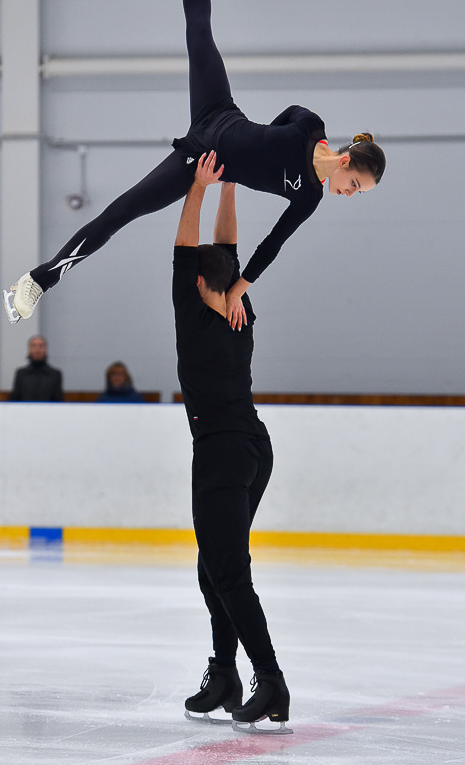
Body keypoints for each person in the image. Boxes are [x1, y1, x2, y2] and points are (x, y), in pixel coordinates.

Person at [3, 0, 385, 330]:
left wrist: (235, 290)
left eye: (358, 193)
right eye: (355, 184)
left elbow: (271, 247)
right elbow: (278, 122)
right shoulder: (309, 126)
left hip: (199, 160)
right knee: (199, 30)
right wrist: (247, 145)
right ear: (345, 160)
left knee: (121, 212)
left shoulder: (308, 196)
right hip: (220, 112)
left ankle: (35, 281)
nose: (350, 195)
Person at [173, 150, 291, 734]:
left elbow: (188, 245)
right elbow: (223, 251)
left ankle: (269, 679)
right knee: (212, 565)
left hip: (220, 451)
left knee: (227, 570)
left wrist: (198, 186)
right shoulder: (240, 309)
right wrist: (230, 185)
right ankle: (224, 672)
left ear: (196, 282)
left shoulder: (195, 315)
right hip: (252, 447)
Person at [9, 335, 64, 402]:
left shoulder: (55, 374)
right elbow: (14, 399)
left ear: (46, 350)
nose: (37, 350)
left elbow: (58, 401)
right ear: (29, 350)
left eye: (41, 346)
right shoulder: (21, 374)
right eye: (34, 346)